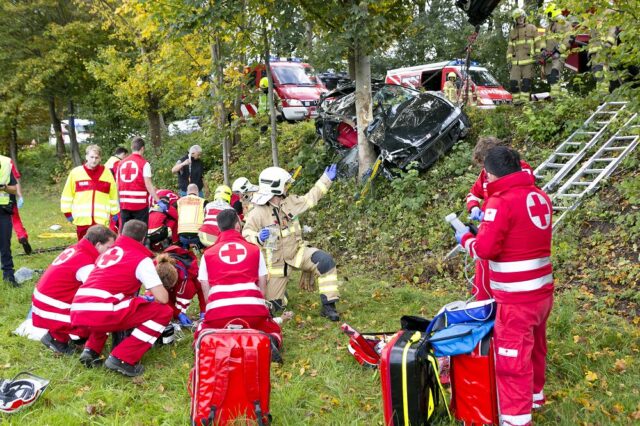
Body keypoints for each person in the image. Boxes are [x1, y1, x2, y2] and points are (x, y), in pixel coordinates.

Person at [456, 146, 554, 426]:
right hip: (542, 294)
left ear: (491, 173)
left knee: (512, 362)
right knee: (536, 346)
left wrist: (465, 239)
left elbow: (486, 249)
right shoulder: (540, 196)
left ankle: (516, 420)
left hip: (516, 299)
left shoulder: (501, 201)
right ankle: (536, 396)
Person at [70, 220, 173, 377]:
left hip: (78, 307)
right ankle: (122, 358)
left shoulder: (108, 253)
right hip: (101, 310)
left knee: (114, 305)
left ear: (121, 234)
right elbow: (162, 298)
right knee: (163, 311)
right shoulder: (140, 259)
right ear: (143, 238)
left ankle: (91, 350)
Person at [243, 165, 341, 321]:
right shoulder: (257, 212)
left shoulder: (290, 202)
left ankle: (329, 307)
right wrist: (258, 238)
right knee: (273, 307)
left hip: (298, 253)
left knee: (325, 262)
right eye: (285, 184)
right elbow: (246, 233)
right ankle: (282, 295)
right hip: (276, 265)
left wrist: (326, 179)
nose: (287, 187)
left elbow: (310, 199)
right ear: (277, 187)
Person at [197, 209, 283, 362]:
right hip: (252, 312)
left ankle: (217, 344)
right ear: (237, 226)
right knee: (272, 329)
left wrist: (213, 311)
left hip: (218, 314)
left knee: (202, 332)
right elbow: (262, 285)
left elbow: (205, 289)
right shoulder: (254, 250)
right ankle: (267, 340)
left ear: (219, 228)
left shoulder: (208, 254)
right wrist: (259, 307)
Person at [465, 137, 535, 300]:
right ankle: (483, 308)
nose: (485, 171)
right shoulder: (485, 174)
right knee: (483, 277)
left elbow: (522, 196)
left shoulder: (520, 169)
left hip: (510, 230)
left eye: (485, 165)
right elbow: (472, 194)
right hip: (489, 228)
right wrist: (474, 207)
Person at [32, 225, 116, 356]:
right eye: (108, 248)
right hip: (50, 306)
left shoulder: (77, 249)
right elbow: (96, 291)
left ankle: (66, 335)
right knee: (96, 315)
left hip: (44, 300)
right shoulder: (86, 262)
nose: (110, 252)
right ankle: (56, 339)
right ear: (98, 245)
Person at [60, 145, 120, 240]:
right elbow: (67, 195)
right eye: (91, 157)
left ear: (100, 158)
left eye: (96, 157)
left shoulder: (107, 173)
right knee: (84, 248)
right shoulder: (76, 173)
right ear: (86, 157)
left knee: (100, 248)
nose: (94, 160)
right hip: (82, 221)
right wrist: (67, 213)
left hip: (101, 221)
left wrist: (115, 213)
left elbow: (113, 196)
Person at [155, 245, 206, 326]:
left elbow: (201, 289)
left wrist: (204, 310)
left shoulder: (191, 269)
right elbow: (155, 294)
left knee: (188, 288)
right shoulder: (156, 267)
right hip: (163, 288)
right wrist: (177, 313)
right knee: (155, 300)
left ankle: (180, 309)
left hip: (182, 286)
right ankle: (176, 312)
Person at [117, 137, 160, 229]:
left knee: (126, 233)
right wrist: (158, 201)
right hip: (139, 205)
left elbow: (117, 184)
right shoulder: (144, 164)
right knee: (140, 233)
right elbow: (148, 185)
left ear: (132, 148)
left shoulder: (121, 163)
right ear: (142, 148)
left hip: (124, 204)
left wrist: (118, 202)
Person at [507, 8, 540, 103]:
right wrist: (509, 60)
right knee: (513, 83)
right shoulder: (512, 32)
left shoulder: (532, 28)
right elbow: (510, 48)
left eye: (522, 17)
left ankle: (525, 104)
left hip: (529, 61)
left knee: (526, 84)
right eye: (518, 18)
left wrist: (538, 56)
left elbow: (538, 42)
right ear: (515, 20)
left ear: (524, 17)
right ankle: (516, 103)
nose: (520, 19)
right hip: (515, 63)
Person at [541, 4, 572, 98]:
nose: (547, 17)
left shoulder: (565, 24)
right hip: (549, 56)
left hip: (559, 55)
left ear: (551, 13)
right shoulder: (549, 27)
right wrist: (543, 49)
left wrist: (559, 51)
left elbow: (569, 39)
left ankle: (555, 98)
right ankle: (555, 96)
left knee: (555, 74)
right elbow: (543, 39)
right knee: (550, 77)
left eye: (548, 14)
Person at [0, 154, 18, 286]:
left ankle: (9, 277)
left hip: (3, 211)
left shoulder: (6, 163)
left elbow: (14, 189)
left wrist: (4, 187)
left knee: (5, 245)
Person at [9, 160, 32, 255]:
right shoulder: (7, 161)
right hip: (9, 197)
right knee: (16, 220)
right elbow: (15, 179)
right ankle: (22, 236)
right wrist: (20, 195)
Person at [177, 183, 206, 249]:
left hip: (182, 236)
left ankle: (185, 249)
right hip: (197, 236)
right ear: (197, 192)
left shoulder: (179, 201)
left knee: (184, 244)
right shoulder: (203, 202)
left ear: (187, 192)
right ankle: (198, 248)